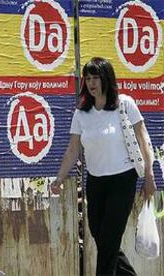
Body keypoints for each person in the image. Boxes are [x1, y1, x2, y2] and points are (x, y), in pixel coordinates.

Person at [51, 57, 156, 275]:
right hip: (96, 182)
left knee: (108, 242)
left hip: (122, 181)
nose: (91, 83)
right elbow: (73, 149)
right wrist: (59, 178)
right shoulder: (81, 114)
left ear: (106, 78)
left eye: (95, 77)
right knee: (103, 240)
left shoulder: (125, 104)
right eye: (88, 78)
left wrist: (149, 176)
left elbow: (143, 139)